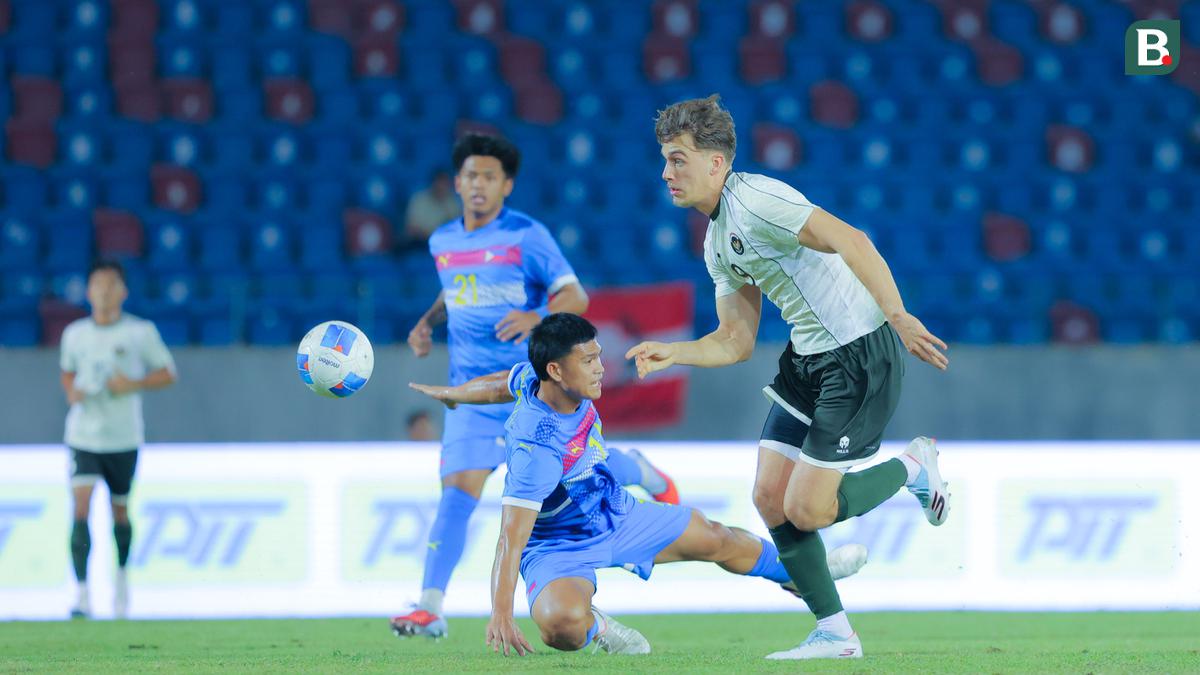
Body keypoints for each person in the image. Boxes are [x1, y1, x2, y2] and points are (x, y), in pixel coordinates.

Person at [624, 95, 952, 660]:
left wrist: (897, 315)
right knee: (769, 496)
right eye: (665, 159)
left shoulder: (757, 200)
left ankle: (912, 467)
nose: (666, 172)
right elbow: (735, 341)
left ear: (717, 163)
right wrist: (675, 353)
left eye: (678, 159)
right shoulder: (714, 240)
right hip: (807, 359)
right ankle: (836, 633)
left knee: (808, 510)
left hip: (857, 354)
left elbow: (854, 240)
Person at [409, 313, 869, 656]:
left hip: (616, 512)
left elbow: (500, 383)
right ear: (557, 371)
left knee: (717, 537)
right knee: (560, 628)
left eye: (597, 356)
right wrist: (502, 612)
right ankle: (600, 629)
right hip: (558, 545)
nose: (600, 367)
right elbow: (511, 538)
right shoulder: (535, 449)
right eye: (588, 360)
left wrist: (455, 394)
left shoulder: (538, 377)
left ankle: (801, 574)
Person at [392, 134, 679, 639]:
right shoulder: (443, 242)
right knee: (457, 494)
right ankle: (431, 606)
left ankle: (639, 468)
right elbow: (455, 288)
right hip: (473, 395)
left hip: (533, 392)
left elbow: (577, 295)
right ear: (457, 183)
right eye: (470, 176)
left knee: (582, 477)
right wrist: (427, 322)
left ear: (507, 185)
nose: (478, 185)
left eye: (489, 177)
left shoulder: (527, 236)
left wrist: (537, 314)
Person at [59, 260, 177, 619]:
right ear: (89, 290)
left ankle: (122, 583)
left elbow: (168, 373)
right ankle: (81, 594)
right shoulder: (75, 333)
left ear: (123, 292)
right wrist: (73, 393)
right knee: (80, 506)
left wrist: (133, 384)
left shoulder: (140, 332)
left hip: (123, 436)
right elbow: (67, 373)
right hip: (83, 435)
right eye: (98, 284)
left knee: (120, 510)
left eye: (111, 285)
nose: (104, 291)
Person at [402, 169, 461, 246]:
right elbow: (410, 229)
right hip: (420, 244)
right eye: (440, 184)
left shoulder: (452, 202)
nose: (442, 188)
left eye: (445, 184)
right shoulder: (419, 199)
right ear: (433, 183)